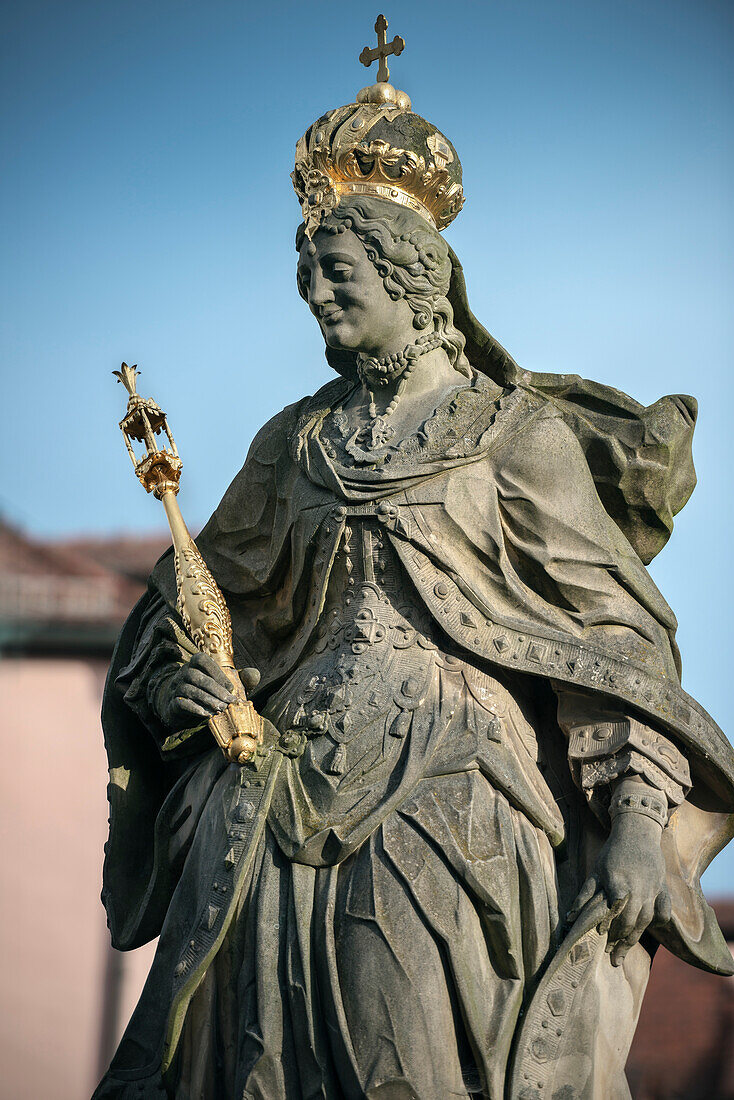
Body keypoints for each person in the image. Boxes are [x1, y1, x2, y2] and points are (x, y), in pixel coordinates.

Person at [95, 53, 734, 1100]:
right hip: (269, 789)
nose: (313, 297)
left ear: (411, 276)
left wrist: (630, 821)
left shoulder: (511, 436)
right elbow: (192, 612)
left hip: (451, 791)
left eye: (334, 275)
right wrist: (186, 686)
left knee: (412, 1046)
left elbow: (614, 639)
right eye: (303, 277)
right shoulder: (290, 443)